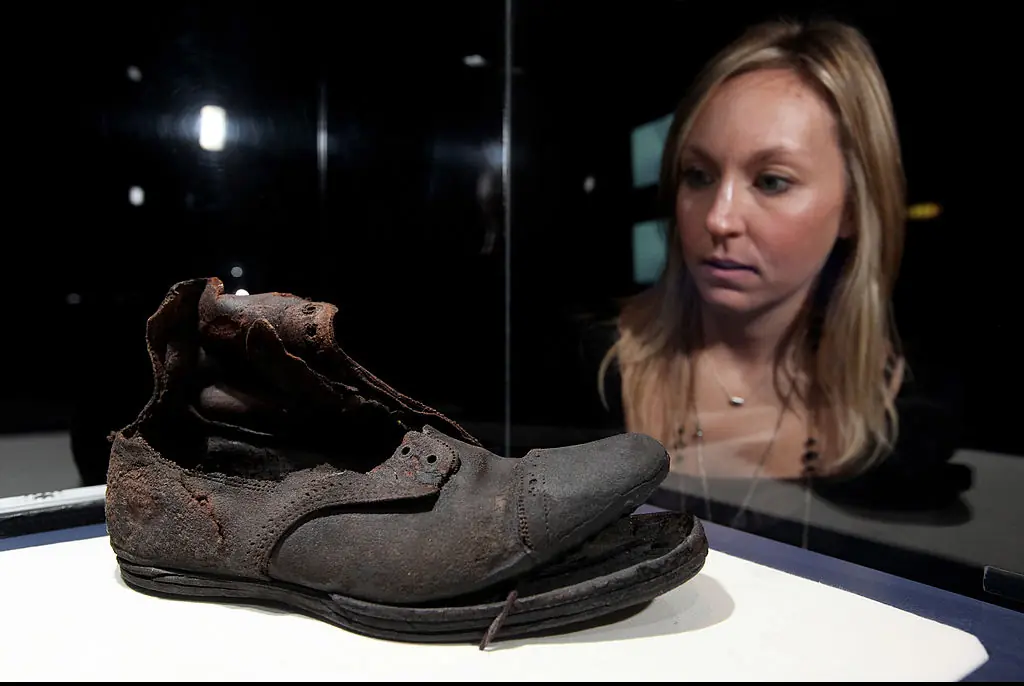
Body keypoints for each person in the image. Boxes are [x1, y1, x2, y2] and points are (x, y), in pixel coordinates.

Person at [594, 19, 969, 546]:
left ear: (854, 210)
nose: (719, 219)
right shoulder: (589, 375)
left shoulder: (912, 410)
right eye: (698, 175)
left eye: (771, 181)